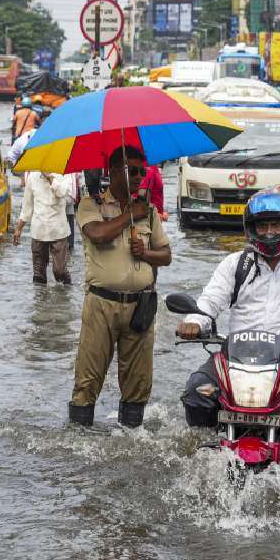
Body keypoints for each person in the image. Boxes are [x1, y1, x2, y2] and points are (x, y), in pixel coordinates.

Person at [178, 190, 280, 462]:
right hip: (236, 356)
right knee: (197, 391)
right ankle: (208, 455)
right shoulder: (235, 263)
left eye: (276, 224)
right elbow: (210, 301)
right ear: (251, 229)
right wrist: (193, 321)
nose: (269, 232)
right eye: (262, 225)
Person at [69, 146, 172, 428]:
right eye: (133, 170)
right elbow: (97, 234)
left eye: (142, 171)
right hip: (101, 304)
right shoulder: (92, 205)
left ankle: (131, 436)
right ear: (113, 172)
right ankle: (79, 438)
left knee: (138, 381)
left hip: (141, 305)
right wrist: (129, 215)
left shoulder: (148, 211)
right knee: (88, 377)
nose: (140, 177)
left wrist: (146, 254)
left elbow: (166, 255)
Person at [14, 170, 75, 285]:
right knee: (38, 275)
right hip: (38, 231)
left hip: (58, 231)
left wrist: (50, 178)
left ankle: (66, 294)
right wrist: (18, 229)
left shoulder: (62, 175)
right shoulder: (32, 177)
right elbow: (27, 207)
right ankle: (39, 302)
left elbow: (65, 194)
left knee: (59, 272)